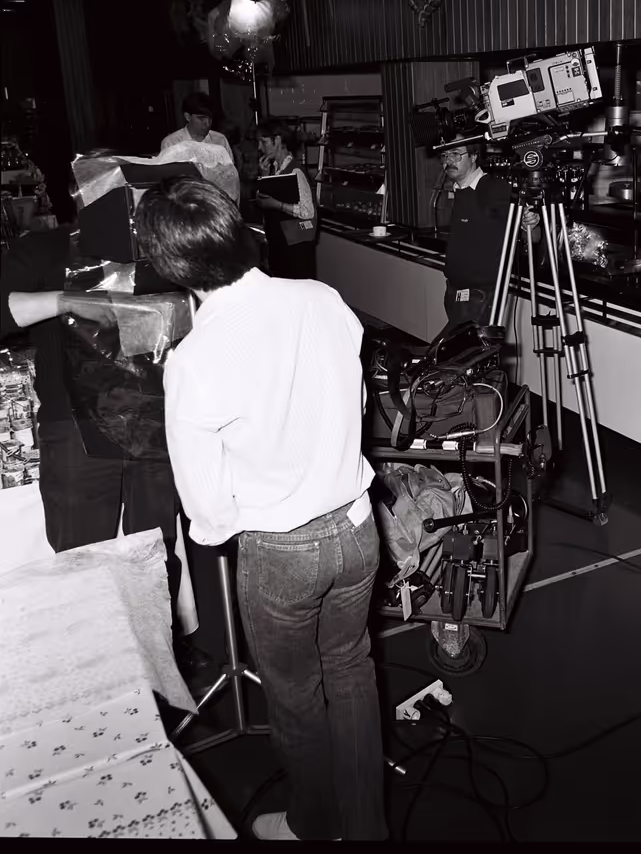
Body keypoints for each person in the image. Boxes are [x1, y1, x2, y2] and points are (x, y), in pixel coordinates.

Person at [135, 177, 386, 842]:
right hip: (360, 526)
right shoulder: (320, 298)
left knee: (297, 697)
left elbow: (205, 505)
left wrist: (231, 521)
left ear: (170, 268)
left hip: (281, 550)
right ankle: (366, 828)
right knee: (352, 670)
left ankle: (313, 822)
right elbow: (358, 405)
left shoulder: (193, 360)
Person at [0, 221, 204, 666]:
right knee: (80, 559)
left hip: (155, 421)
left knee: (155, 552)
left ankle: (159, 659)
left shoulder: (160, 245)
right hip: (74, 426)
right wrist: (67, 300)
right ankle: (89, 669)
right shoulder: (46, 248)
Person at [440, 139, 537, 327]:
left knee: (469, 354)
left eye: (456, 154)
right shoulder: (458, 190)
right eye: (444, 155)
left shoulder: (495, 189)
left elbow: (534, 237)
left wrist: (529, 223)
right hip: (455, 294)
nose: (448, 160)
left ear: (474, 156)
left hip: (483, 298)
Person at [255, 118, 317, 280]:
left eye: (263, 142)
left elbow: (307, 211)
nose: (260, 147)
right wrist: (264, 176)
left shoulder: (295, 171)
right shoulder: (275, 168)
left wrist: (277, 204)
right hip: (281, 242)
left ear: (277, 140)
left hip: (296, 246)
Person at [160, 91, 235, 161]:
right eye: (202, 119)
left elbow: (231, 172)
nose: (208, 124)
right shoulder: (171, 143)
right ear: (188, 117)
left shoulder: (220, 140)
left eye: (210, 118)